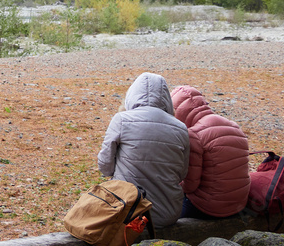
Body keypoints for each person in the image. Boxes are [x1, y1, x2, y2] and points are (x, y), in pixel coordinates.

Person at [97, 72, 190, 228]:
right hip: (168, 214)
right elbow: (182, 174)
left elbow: (105, 167)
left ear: (132, 95)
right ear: (167, 98)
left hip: (127, 212)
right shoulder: (181, 128)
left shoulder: (122, 120)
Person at [170, 85, 250, 219]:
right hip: (239, 204)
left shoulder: (194, 135)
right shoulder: (234, 126)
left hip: (209, 208)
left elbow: (190, 186)